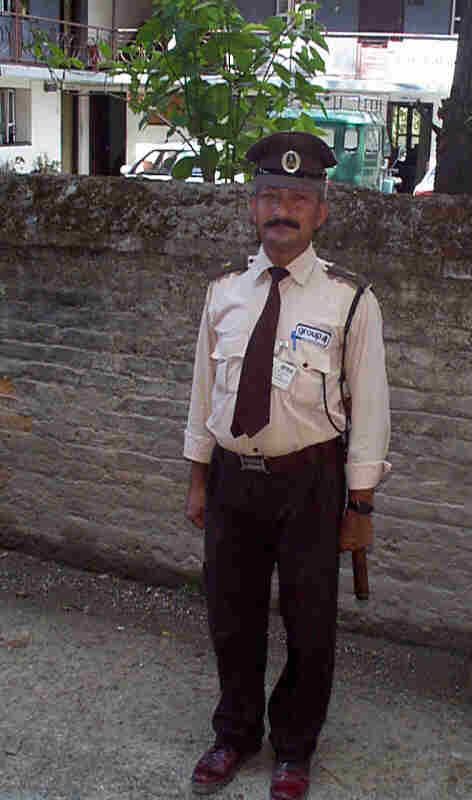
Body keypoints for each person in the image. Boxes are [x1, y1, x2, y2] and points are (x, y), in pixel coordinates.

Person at [183, 130, 391, 800]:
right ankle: (235, 734)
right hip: (231, 480)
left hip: (310, 483)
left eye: (298, 199)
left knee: (310, 621)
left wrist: (360, 505)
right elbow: (203, 392)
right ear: (253, 208)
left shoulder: (350, 299)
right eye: (271, 195)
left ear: (320, 212)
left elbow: (372, 408)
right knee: (231, 615)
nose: (283, 210)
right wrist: (197, 476)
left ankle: (295, 746)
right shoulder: (223, 291)